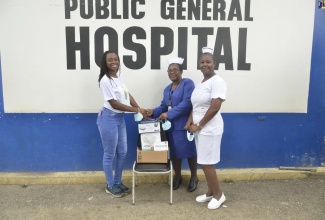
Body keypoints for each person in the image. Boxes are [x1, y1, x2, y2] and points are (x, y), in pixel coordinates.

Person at [97, 50, 146, 198]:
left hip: (119, 119)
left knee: (122, 151)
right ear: (105, 63)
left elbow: (127, 95)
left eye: (116, 59)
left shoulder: (118, 78)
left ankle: (118, 182)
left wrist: (140, 109)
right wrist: (137, 109)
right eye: (110, 60)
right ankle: (110, 185)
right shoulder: (105, 80)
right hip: (109, 118)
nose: (114, 62)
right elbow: (114, 104)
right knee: (110, 153)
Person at [146, 57, 198, 192]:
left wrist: (169, 114)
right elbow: (164, 106)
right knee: (174, 153)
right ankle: (178, 177)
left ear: (181, 71)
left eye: (175, 70)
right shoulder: (167, 89)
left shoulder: (188, 84)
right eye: (170, 70)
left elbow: (187, 103)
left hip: (184, 125)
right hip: (170, 127)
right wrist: (152, 111)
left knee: (190, 152)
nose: (172, 72)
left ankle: (194, 177)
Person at [185, 47, 227, 209]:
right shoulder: (201, 83)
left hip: (209, 128)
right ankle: (210, 192)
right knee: (204, 161)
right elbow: (195, 106)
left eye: (208, 62)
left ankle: (218, 194)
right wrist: (190, 121)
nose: (205, 65)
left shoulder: (218, 81)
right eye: (202, 62)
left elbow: (215, 107)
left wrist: (199, 125)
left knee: (207, 163)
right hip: (199, 129)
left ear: (214, 63)